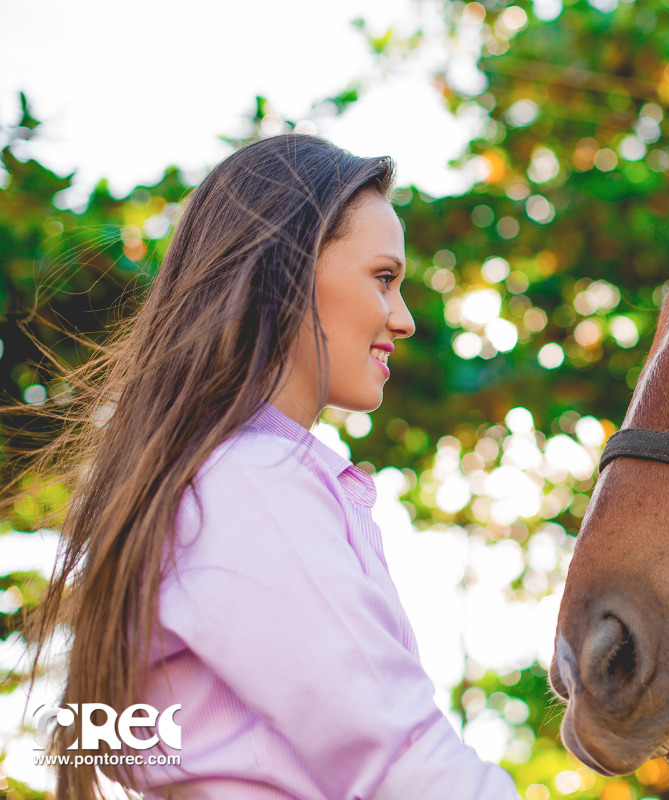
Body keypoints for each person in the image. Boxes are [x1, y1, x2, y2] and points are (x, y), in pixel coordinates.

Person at [19, 135, 518, 799]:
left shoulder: (202, 478)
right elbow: (402, 761)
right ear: (289, 266)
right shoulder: (255, 480)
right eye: (384, 278)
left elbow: (106, 735)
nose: (403, 319)